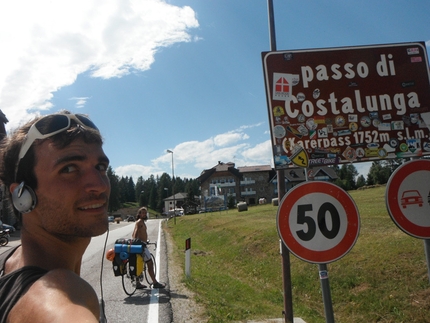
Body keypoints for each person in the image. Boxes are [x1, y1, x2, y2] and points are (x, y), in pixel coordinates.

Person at [0, 111, 110, 323]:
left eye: (100, 167)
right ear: (21, 196)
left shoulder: (9, 261)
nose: (99, 185)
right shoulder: (57, 294)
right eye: (69, 169)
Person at [132, 207, 165, 289]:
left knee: (138, 263)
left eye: (145, 213)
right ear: (139, 214)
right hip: (141, 245)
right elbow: (135, 232)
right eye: (142, 213)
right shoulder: (140, 222)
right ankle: (155, 282)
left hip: (141, 244)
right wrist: (136, 241)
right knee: (150, 263)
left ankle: (137, 283)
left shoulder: (141, 221)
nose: (144, 214)